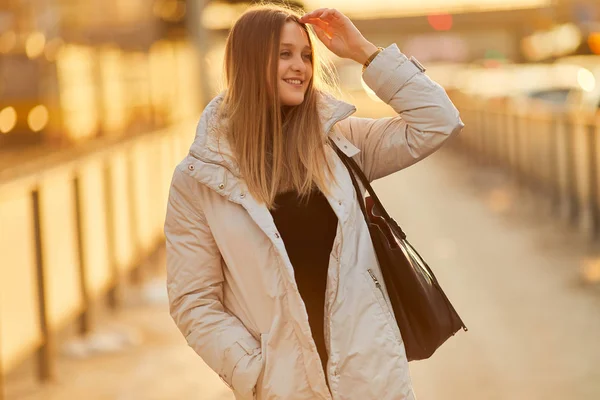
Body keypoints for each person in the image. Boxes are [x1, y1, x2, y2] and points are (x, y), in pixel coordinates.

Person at [164, 3, 463, 400]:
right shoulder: (199, 179)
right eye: (284, 54)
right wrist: (256, 369)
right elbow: (193, 301)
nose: (300, 67)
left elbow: (438, 120)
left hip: (372, 382)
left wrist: (363, 52)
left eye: (306, 56)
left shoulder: (339, 142)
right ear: (248, 63)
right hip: (284, 388)